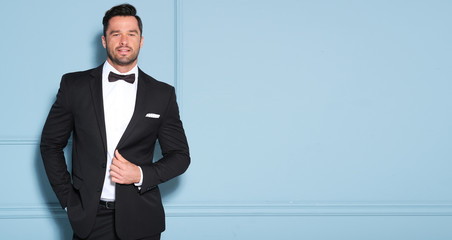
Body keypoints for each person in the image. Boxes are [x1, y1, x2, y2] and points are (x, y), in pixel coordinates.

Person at [40, 4, 190, 240]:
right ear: (103, 41)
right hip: (89, 219)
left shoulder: (162, 94)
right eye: (115, 34)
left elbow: (180, 156)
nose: (123, 41)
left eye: (131, 34)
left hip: (142, 219)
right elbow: (50, 145)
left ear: (141, 41)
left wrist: (140, 174)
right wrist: (69, 201)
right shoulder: (74, 86)